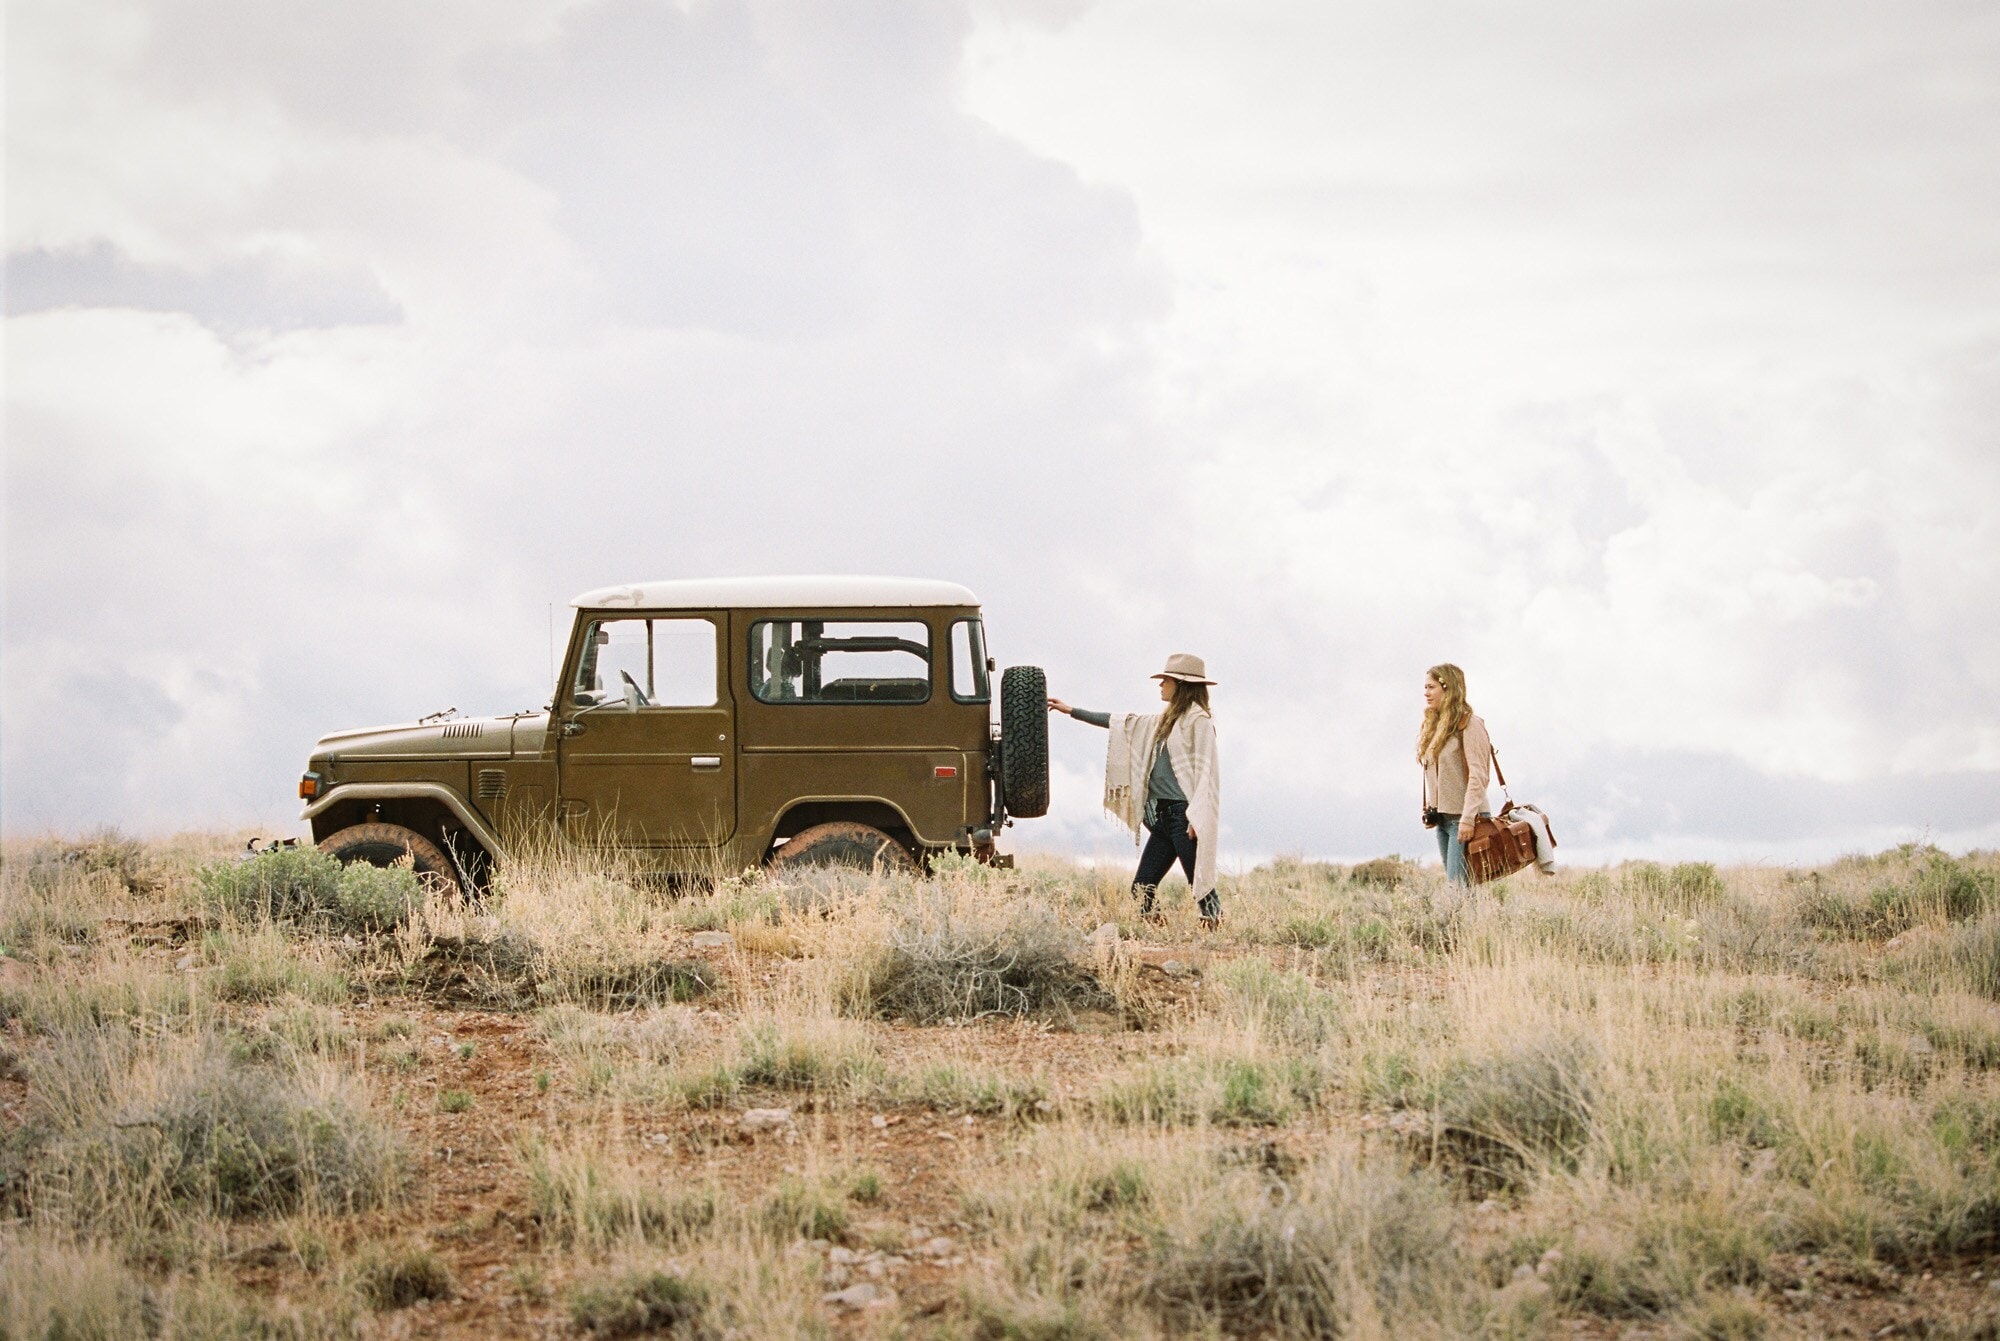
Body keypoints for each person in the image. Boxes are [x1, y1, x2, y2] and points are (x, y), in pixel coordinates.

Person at [1050, 654, 1223, 927]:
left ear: (1181, 684)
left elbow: (1207, 772)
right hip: (1164, 818)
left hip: (1183, 816)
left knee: (1199, 884)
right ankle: (1159, 933)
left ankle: (1217, 933)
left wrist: (1197, 816)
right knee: (1142, 887)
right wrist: (1071, 710)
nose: (1160, 685)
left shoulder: (1198, 720)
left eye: (1165, 680)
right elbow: (1120, 722)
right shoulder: (1164, 721)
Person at [1419, 663, 1491, 886]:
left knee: (1458, 889)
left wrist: (1468, 819)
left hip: (1466, 818)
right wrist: (1432, 807)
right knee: (1460, 887)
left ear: (1447, 688)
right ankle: (1468, 922)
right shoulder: (1433, 725)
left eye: (1431, 687)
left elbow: (1478, 776)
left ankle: (1466, 922)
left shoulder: (1469, 724)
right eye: (1425, 687)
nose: (1426, 693)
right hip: (1443, 819)